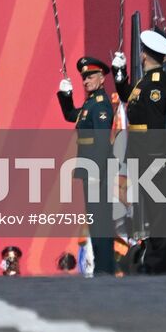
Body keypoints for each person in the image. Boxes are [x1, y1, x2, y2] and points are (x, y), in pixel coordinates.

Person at [116, 29, 166, 274]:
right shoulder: (146, 80)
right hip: (143, 153)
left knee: (158, 210)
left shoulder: (156, 82)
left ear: (145, 55)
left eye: (142, 52)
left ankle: (158, 262)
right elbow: (129, 98)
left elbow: (154, 123)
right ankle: (155, 258)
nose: (140, 56)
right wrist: (119, 74)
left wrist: (154, 159)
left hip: (151, 154)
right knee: (152, 209)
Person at [57, 56, 115, 276]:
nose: (85, 80)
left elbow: (101, 142)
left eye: (90, 76)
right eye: (83, 77)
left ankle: (105, 268)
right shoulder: (90, 104)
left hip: (96, 171)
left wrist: (96, 172)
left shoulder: (100, 105)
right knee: (95, 219)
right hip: (89, 168)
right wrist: (65, 96)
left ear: (101, 78)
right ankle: (102, 267)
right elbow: (71, 115)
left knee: (101, 221)